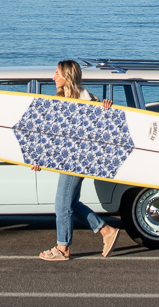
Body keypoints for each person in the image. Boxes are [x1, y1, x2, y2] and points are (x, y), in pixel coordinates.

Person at [36, 59, 121, 261]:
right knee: (71, 203)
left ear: (68, 76)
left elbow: (101, 129)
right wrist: (39, 156)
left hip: (78, 160)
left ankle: (62, 248)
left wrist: (106, 110)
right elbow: (53, 135)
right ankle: (106, 230)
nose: (53, 77)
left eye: (57, 73)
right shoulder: (60, 100)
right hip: (66, 159)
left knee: (61, 205)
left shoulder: (88, 100)